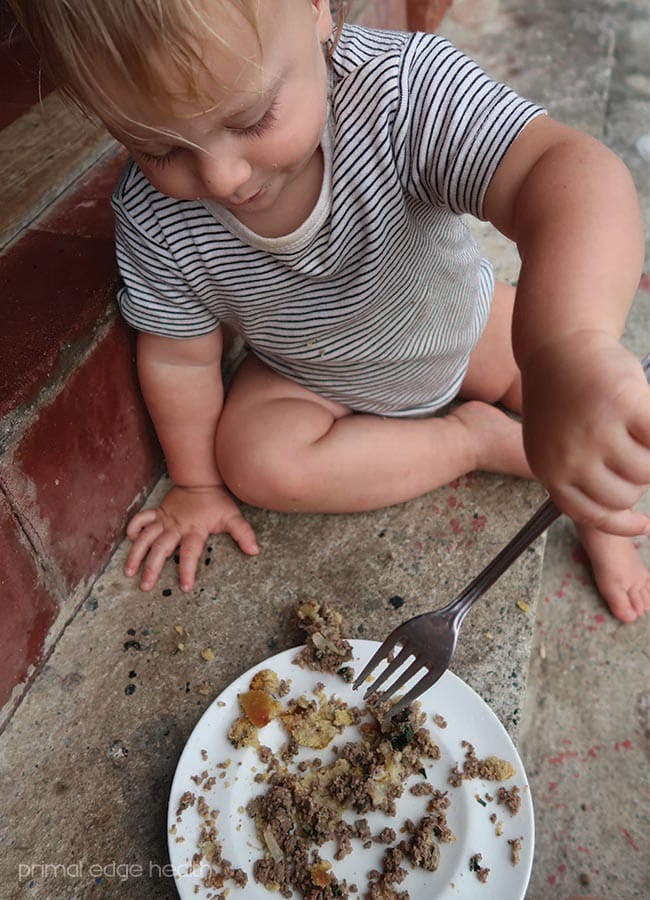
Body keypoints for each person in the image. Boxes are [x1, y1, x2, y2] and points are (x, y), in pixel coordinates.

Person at [10, 0, 650, 622]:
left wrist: (569, 345)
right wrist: (198, 484)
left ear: (318, 7)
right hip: (307, 375)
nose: (224, 177)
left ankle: (598, 509)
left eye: (253, 117)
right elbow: (179, 356)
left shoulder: (401, 95)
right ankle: (470, 442)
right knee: (255, 461)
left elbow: (561, 172)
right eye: (160, 149)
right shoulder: (154, 219)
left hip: (458, 328)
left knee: (580, 411)